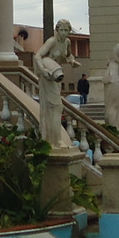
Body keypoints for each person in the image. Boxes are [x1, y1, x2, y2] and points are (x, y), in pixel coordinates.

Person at [34, 20, 75, 148]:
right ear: (57, 30)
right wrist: (43, 70)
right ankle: (55, 140)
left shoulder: (67, 42)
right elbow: (37, 56)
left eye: (66, 30)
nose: (63, 33)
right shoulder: (52, 41)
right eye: (61, 30)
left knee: (55, 108)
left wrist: (72, 60)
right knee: (56, 107)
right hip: (47, 75)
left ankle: (53, 139)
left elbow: (68, 55)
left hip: (57, 76)